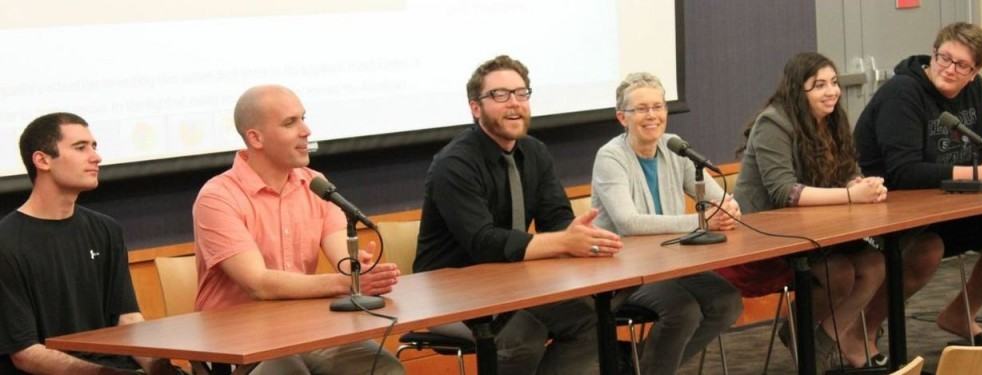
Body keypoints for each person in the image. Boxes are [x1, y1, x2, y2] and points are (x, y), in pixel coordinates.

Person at [414, 55, 623, 374]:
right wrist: (564, 243)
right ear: (475, 108)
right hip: (452, 293)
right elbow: (483, 241)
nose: (513, 104)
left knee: (593, 321)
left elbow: (557, 220)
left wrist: (576, 236)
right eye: (500, 95)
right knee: (522, 338)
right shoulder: (453, 164)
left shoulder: (534, 151)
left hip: (516, 284)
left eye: (521, 93)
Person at [192, 85, 404, 375]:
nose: (306, 130)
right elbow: (259, 284)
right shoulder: (218, 197)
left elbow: (344, 261)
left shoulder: (315, 184)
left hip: (304, 328)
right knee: (289, 371)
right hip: (238, 340)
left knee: (381, 367)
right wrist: (347, 284)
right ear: (256, 138)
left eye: (303, 118)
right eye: (290, 123)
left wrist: (359, 271)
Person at [856, 22, 982, 354]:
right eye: (943, 57)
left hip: (949, 204)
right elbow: (902, 173)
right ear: (933, 53)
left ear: (974, 72)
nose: (948, 68)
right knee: (927, 251)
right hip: (892, 211)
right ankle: (862, 329)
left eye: (961, 65)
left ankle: (961, 313)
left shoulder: (976, 91)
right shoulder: (903, 92)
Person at [723, 52, 888, 370]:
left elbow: (848, 171)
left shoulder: (833, 119)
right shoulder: (774, 122)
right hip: (764, 235)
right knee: (837, 273)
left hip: (817, 230)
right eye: (819, 85)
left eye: (834, 83)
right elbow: (785, 192)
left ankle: (819, 344)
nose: (832, 92)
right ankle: (803, 339)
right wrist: (852, 196)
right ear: (798, 91)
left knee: (876, 263)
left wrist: (859, 183)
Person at [0, 113, 179, 374]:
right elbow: (26, 353)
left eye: (94, 147)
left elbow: (127, 319)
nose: (96, 157)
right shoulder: (7, 243)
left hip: (116, 366)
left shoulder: (105, 230)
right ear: (42, 160)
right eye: (80, 147)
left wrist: (158, 367)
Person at [589, 72, 743, 374]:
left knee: (727, 301)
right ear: (622, 117)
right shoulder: (610, 157)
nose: (653, 116)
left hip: (671, 264)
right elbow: (628, 223)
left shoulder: (675, 147)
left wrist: (729, 208)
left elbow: (718, 199)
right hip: (623, 271)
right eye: (642, 109)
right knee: (682, 311)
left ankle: (640, 362)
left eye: (658, 107)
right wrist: (702, 222)